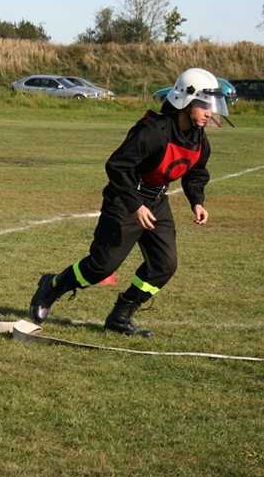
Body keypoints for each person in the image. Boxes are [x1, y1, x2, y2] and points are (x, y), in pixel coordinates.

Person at [29, 68, 228, 338]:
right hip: (125, 200)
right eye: (203, 105)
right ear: (185, 101)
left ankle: (120, 316)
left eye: (211, 105)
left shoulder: (199, 137)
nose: (209, 112)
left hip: (156, 202)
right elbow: (117, 166)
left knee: (164, 266)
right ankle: (53, 286)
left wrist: (197, 201)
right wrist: (135, 206)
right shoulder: (152, 131)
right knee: (101, 268)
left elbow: (196, 172)